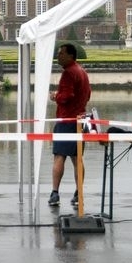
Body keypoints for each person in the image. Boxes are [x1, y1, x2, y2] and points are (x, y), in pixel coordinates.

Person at [48, 42, 92, 206]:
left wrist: (55, 96)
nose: (58, 56)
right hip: (79, 120)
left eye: (61, 53)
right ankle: (78, 193)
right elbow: (88, 94)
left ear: (70, 56)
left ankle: (55, 193)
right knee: (77, 158)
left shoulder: (68, 73)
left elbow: (66, 96)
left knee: (59, 156)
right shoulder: (82, 71)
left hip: (66, 120)